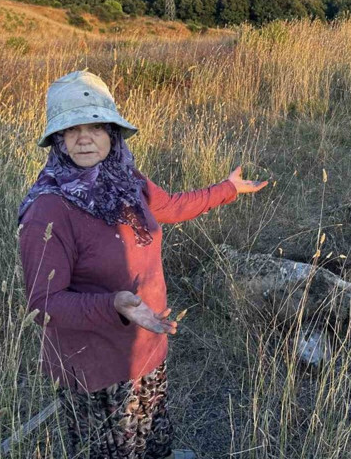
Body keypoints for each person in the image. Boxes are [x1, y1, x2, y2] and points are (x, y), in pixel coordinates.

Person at [18, 71, 266, 458]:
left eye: (96, 126)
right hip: (98, 373)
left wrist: (227, 189)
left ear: (112, 134)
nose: (85, 138)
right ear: (58, 140)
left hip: (147, 350)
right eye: (72, 129)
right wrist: (113, 304)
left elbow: (170, 206)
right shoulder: (48, 210)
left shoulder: (125, 181)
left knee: (152, 445)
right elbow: (43, 303)